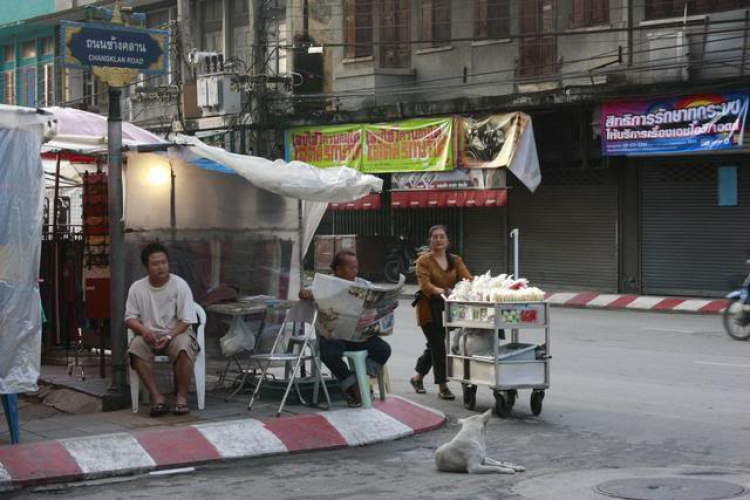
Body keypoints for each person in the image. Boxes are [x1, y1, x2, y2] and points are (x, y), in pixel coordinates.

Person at [299, 249, 391, 407]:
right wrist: (304, 293)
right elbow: (304, 293)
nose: (355, 271)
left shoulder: (363, 285)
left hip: (358, 336)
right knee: (328, 354)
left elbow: (377, 298)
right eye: (351, 268)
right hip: (334, 336)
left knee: (383, 349)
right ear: (339, 269)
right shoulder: (324, 285)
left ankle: (359, 380)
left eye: (356, 267)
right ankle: (354, 386)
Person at [125, 243, 199, 416]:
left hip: (177, 333)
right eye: (155, 264)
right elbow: (129, 318)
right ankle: (157, 398)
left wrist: (168, 336)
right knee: (135, 348)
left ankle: (181, 398)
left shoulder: (180, 285)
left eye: (164, 262)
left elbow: (187, 320)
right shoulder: (137, 288)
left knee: (184, 346)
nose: (161, 267)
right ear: (146, 266)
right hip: (149, 335)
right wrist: (143, 330)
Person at [410, 225, 472, 400]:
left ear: (447, 240)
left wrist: (479, 286)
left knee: (433, 346)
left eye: (441, 237)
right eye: (435, 237)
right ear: (430, 241)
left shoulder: (455, 260)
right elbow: (425, 285)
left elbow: (467, 279)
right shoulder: (423, 261)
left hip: (448, 308)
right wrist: (443, 291)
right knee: (438, 346)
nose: (438, 240)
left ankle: (417, 378)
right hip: (428, 309)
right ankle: (442, 386)